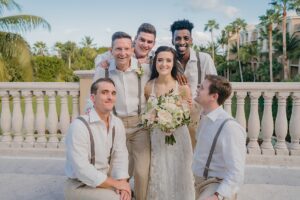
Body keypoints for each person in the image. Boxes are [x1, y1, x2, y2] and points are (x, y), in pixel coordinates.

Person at [93, 31, 151, 200]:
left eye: (126, 49)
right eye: (118, 49)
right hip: (115, 125)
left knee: (141, 171)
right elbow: (93, 99)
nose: (123, 53)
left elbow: (165, 66)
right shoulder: (103, 70)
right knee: (116, 170)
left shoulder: (144, 68)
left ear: (133, 49)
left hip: (140, 125)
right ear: (111, 51)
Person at [64, 78, 131, 200]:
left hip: (105, 183)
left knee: (128, 195)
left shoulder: (117, 123)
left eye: (113, 93)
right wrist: (116, 184)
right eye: (104, 92)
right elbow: (82, 169)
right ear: (93, 98)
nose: (110, 97)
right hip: (79, 185)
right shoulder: (79, 126)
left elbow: (120, 156)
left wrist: (123, 183)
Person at [144, 46, 195, 200]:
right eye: (160, 60)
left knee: (180, 173)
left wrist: (175, 120)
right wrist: (157, 120)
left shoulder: (183, 87)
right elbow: (149, 113)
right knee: (160, 173)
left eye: (168, 60)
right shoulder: (148, 86)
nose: (164, 64)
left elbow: (188, 115)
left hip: (179, 137)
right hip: (158, 137)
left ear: (173, 63)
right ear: (155, 63)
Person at [193, 75, 246, 200]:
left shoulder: (229, 127)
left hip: (215, 186)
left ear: (214, 96)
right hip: (199, 184)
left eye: (202, 88)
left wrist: (218, 196)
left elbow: (236, 171)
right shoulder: (204, 118)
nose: (197, 90)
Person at [170, 19, 218, 149]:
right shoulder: (168, 60)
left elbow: (216, 87)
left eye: (186, 38)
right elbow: (149, 56)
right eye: (177, 38)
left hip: (198, 117)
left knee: (197, 152)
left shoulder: (204, 59)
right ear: (172, 40)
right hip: (173, 116)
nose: (182, 42)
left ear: (191, 40)